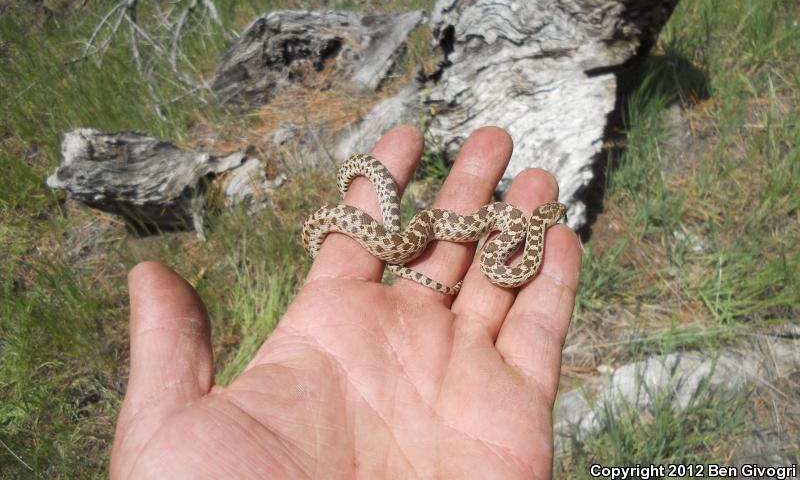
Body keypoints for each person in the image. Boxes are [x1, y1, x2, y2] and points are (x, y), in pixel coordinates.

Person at [110, 126, 581, 479]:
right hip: (386, 228)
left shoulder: (514, 234)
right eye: (554, 215)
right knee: (374, 223)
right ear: (543, 220)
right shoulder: (514, 230)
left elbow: (495, 251)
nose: (556, 216)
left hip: (417, 232)